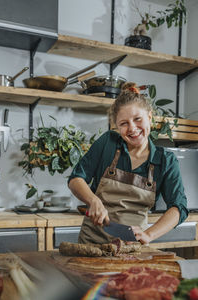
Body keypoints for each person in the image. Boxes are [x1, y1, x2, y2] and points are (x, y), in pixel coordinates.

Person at [68, 87, 188, 245]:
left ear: (150, 117)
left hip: (132, 246)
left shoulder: (165, 160)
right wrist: (93, 200)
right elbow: (76, 179)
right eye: (124, 123)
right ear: (116, 126)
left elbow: (178, 207)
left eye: (138, 119)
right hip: (92, 243)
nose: (132, 128)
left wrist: (149, 235)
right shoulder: (108, 143)